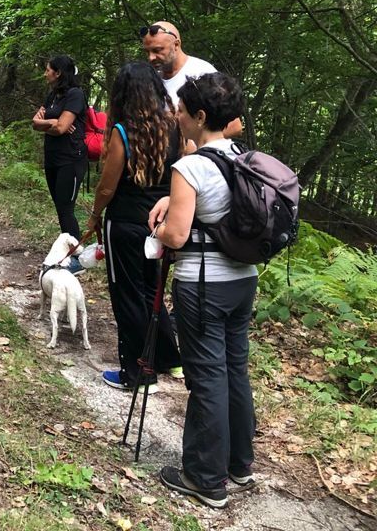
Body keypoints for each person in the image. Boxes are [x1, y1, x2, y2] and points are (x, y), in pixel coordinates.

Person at [149, 72, 257, 510]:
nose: (175, 116)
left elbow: (176, 236)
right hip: (243, 280)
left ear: (198, 115)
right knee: (234, 370)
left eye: (180, 110)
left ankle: (204, 478)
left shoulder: (190, 167)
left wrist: (157, 226)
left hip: (203, 285)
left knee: (208, 377)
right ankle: (239, 464)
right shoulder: (243, 158)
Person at [85, 62, 183, 393]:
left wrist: (95, 214)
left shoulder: (124, 131)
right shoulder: (174, 127)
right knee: (152, 290)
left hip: (125, 222)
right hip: (158, 223)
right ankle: (167, 356)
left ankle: (137, 372)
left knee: (127, 294)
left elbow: (107, 185)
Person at [141, 22, 242, 137]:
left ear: (176, 45)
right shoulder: (148, 80)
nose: (151, 57)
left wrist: (196, 144)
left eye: (157, 50)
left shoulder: (201, 72)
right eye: (147, 52)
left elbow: (234, 126)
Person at [31, 55, 87, 238]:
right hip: (52, 158)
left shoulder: (75, 94)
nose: (45, 74)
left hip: (71, 159)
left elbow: (61, 128)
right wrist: (52, 122)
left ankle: (74, 250)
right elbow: (35, 123)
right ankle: (67, 245)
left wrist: (51, 124)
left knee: (65, 208)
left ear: (58, 73)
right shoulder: (53, 95)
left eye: (48, 70)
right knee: (59, 206)